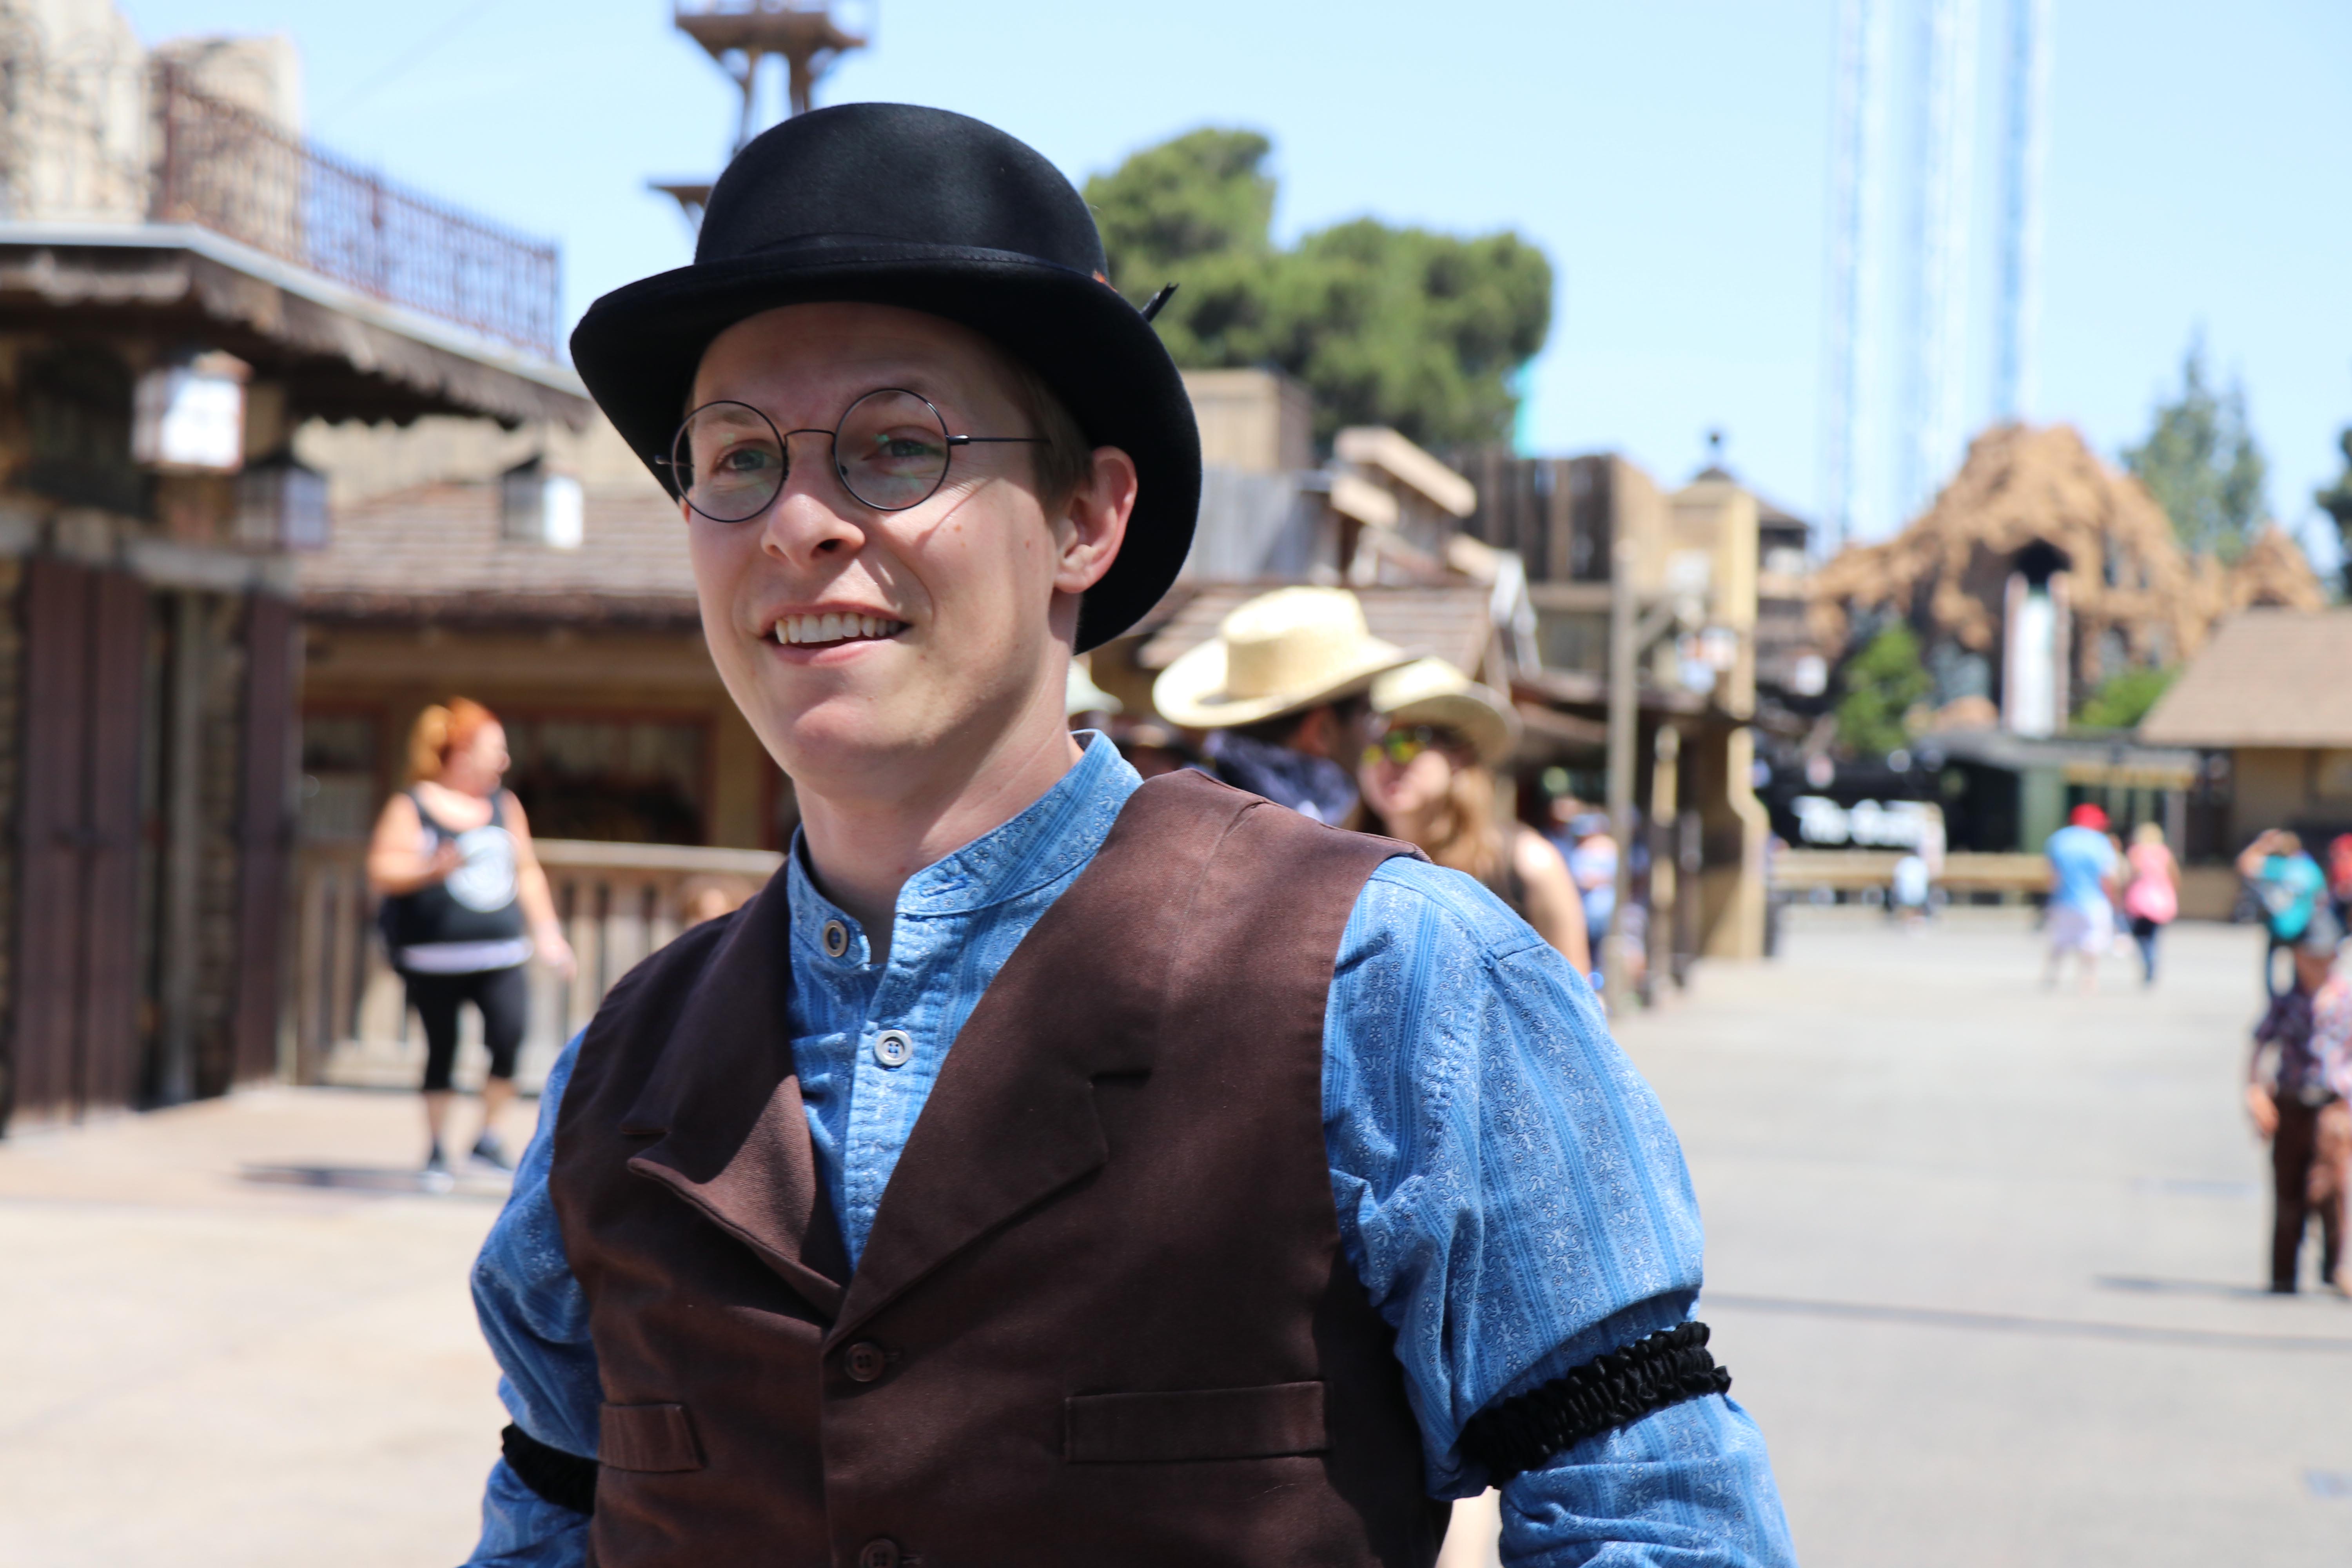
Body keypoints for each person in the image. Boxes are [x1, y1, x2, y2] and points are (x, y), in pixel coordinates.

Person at [465, 103, 1792, 1568]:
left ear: (1085, 519)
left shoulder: (1389, 979)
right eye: (736, 458)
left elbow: (1653, 1518)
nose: (799, 523)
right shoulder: (618, 1071)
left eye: (895, 446)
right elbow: (547, 1522)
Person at [367, 699, 575, 1175]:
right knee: (442, 1049)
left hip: (501, 953)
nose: (504, 759)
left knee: (509, 1038)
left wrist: (549, 933)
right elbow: (382, 868)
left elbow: (527, 870)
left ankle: (488, 1135)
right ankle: (437, 1148)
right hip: (434, 958)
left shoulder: (505, 805)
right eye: (495, 748)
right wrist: (429, 870)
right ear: (462, 752)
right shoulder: (414, 804)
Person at [1356, 657, 1592, 975]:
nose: (1387, 761)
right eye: (1373, 746)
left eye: (1407, 742)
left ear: (1459, 755)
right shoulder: (1348, 862)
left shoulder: (1529, 865)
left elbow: (1576, 995)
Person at [1152, 584, 1409, 823]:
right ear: (1321, 731)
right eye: (1368, 713)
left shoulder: (1184, 811)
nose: (1377, 733)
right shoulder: (1298, 837)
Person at [2245, 914, 2351, 1294]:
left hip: (2334, 1104)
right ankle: (2283, 1273)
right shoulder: (2287, 1001)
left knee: (2331, 1184)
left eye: (2322, 957)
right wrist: (2255, 1092)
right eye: (2308, 956)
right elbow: (2261, 1044)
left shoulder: (2345, 1001)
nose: (2315, 965)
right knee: (2288, 1187)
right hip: (2290, 1102)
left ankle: (2336, 1266)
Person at [2239, 829, 2328, 997]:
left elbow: (2246, 864)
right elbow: (2321, 895)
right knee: (2299, 968)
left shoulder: (2279, 866)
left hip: (2280, 924)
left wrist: (2261, 845)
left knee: (2273, 967)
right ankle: (2295, 998)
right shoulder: (2309, 867)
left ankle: (2276, 999)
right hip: (2303, 924)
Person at [2042, 802, 2120, 993]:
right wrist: (2114, 900)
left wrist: (2051, 898)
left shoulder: (2059, 839)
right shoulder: (2100, 842)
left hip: (2063, 899)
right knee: (2093, 942)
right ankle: (2089, 980)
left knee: (2060, 939)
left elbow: (2053, 875)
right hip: (2094, 900)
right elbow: (2107, 876)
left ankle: (2052, 976)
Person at [2120, 822, 2180, 986]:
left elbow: (2132, 875)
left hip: (2141, 899)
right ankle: (2152, 960)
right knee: (2153, 935)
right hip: (2161, 899)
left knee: (2141, 935)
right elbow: (2174, 876)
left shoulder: (2136, 852)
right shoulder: (2164, 852)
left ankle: (2148, 960)